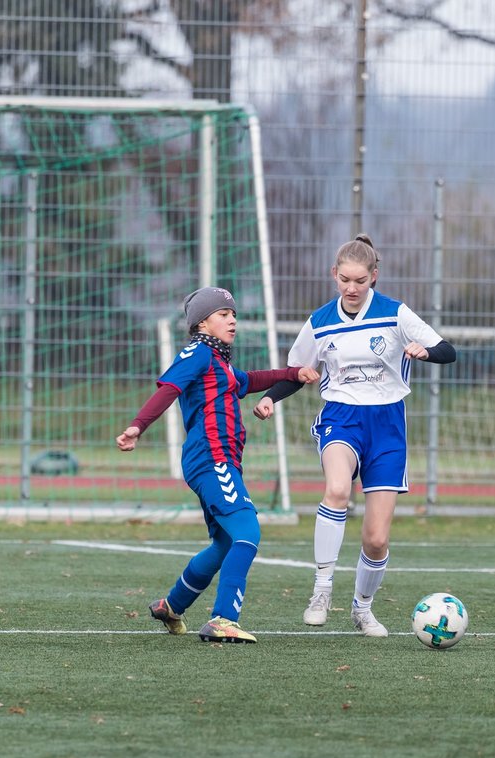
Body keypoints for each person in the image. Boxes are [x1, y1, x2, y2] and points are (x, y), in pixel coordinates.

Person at [253, 234, 457, 637]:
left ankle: (362, 609)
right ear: (334, 275)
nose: (351, 287)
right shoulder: (320, 321)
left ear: (374, 277)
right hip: (341, 419)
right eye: (345, 279)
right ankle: (321, 589)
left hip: (387, 426)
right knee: (337, 491)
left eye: (360, 280)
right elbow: (297, 372)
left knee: (377, 539)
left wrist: (424, 351)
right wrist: (271, 399)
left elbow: (448, 350)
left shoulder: (395, 314)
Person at [117, 287, 319, 643]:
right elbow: (169, 388)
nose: (232, 320)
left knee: (225, 543)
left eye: (234, 314)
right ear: (202, 322)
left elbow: (250, 380)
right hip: (212, 457)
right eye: (223, 314)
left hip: (217, 460)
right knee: (248, 530)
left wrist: (293, 373)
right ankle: (223, 618)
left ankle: (172, 604)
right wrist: (137, 426)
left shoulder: (218, 362)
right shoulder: (197, 352)